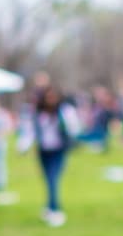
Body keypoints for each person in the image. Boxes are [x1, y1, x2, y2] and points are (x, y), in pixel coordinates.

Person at [20, 84, 80, 227]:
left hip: (58, 150)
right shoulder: (37, 113)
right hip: (43, 150)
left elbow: (74, 127)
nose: (51, 100)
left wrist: (71, 135)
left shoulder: (64, 111)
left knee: (53, 178)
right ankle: (50, 206)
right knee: (47, 179)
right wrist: (23, 146)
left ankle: (55, 209)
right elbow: (30, 132)